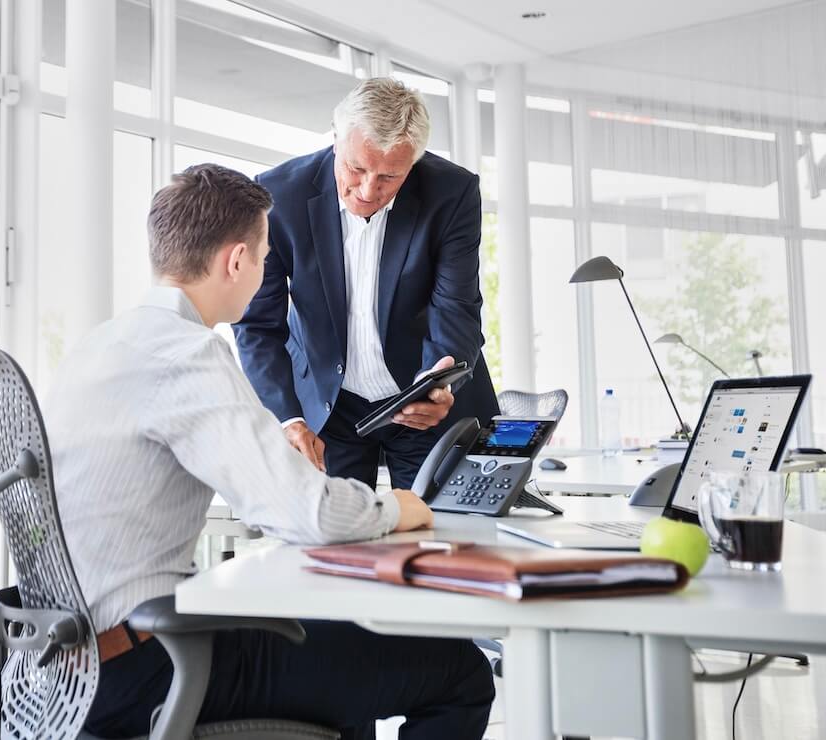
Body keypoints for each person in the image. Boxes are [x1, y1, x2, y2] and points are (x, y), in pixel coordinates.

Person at [44, 164, 494, 740]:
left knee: (341, 654)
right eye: (262, 257)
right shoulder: (186, 354)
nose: (264, 273)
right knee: (460, 672)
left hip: (65, 665)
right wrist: (402, 508)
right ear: (237, 261)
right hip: (147, 667)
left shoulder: (102, 344)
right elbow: (305, 513)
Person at [234, 77, 499, 491]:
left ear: (413, 163)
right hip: (329, 409)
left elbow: (456, 307)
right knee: (337, 542)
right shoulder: (277, 196)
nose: (368, 190)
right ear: (336, 141)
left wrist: (438, 384)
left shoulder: (453, 193)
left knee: (449, 539)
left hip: (426, 405)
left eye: (390, 177)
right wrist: (287, 417)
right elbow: (258, 325)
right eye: (355, 168)